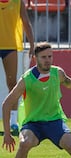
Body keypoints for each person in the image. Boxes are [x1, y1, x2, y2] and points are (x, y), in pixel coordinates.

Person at [0, 0, 35, 134]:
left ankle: (13, 123)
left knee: (13, 83)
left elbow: (26, 22)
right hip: (9, 47)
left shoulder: (17, 2)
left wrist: (32, 44)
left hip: (10, 46)